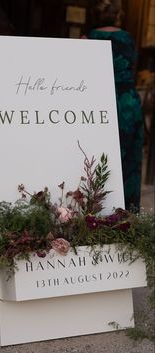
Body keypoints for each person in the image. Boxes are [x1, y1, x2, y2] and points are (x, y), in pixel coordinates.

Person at [85, 0, 143, 210]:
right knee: (129, 159)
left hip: (100, 99)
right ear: (118, 15)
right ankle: (128, 210)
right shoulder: (127, 38)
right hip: (128, 102)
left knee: (98, 155)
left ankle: (98, 209)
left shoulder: (88, 38)